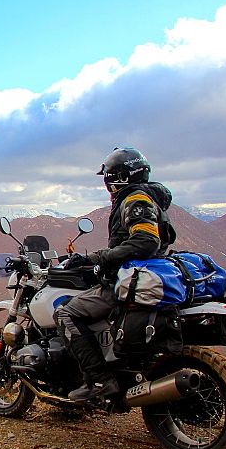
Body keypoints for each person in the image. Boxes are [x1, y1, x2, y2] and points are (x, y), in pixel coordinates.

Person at [55, 147, 176, 401]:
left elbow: (145, 242)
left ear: (119, 177)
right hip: (147, 275)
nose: (107, 184)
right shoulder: (150, 197)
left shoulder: (135, 200)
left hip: (131, 279)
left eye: (108, 178)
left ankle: (99, 381)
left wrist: (99, 258)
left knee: (66, 313)